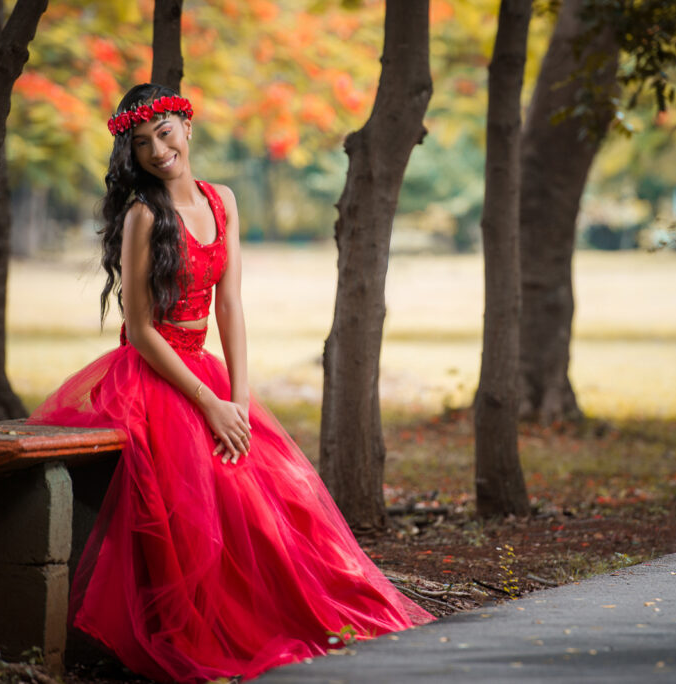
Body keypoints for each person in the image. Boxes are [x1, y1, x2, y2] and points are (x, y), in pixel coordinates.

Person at [27, 83, 434, 683]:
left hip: (210, 374)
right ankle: (216, 626)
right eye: (141, 144)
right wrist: (208, 404)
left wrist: (238, 400)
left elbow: (231, 306)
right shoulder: (145, 214)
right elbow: (138, 329)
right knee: (200, 491)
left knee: (266, 488)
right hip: (155, 375)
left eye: (165, 133)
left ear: (187, 127)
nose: (158, 151)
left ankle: (292, 611)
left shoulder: (223, 201)